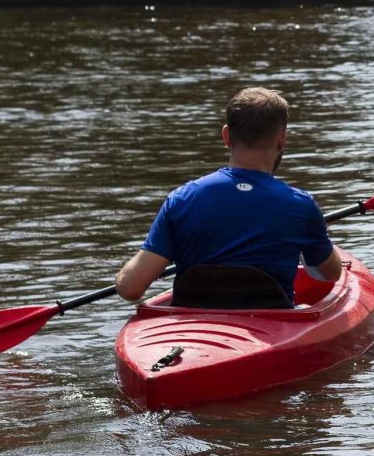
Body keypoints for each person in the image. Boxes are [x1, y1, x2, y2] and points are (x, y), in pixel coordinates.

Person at [115, 88, 343, 305]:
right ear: (282, 140)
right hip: (272, 325)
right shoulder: (300, 206)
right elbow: (329, 274)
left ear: (226, 136)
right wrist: (306, 244)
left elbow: (130, 289)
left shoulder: (182, 199)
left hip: (193, 332)